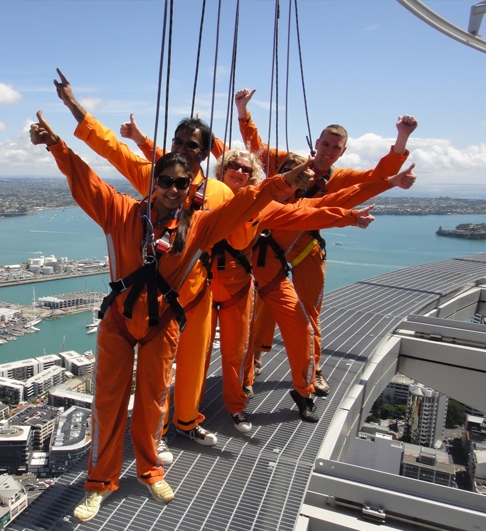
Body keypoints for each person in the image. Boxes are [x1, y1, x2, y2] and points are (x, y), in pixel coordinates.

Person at [30, 110, 311, 522]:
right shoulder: (121, 212)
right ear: (154, 182)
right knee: (108, 403)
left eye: (182, 183)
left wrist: (284, 182)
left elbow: (246, 204)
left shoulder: (198, 225)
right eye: (166, 181)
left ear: (189, 184)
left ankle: (149, 469)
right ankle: (99, 483)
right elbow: (83, 178)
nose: (175, 190)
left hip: (163, 323)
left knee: (153, 402)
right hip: (120, 323)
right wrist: (56, 144)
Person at [53, 69, 234, 458]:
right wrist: (73, 106)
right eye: (179, 141)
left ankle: (187, 420)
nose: (185, 149)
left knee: (193, 363)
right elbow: (111, 150)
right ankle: (158, 434)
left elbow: (244, 221)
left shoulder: (219, 192)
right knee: (157, 372)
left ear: (205, 153)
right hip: (156, 295)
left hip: (196, 289)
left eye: (193, 145)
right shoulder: (157, 173)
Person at [235, 88, 418, 397]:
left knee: (308, 311)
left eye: (335, 147)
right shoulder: (288, 163)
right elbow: (255, 147)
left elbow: (377, 175)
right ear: (315, 144)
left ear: (342, 151)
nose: (328, 151)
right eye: (325, 144)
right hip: (274, 244)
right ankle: (254, 358)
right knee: (263, 303)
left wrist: (402, 138)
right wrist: (242, 110)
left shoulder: (339, 177)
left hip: (305, 246)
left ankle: (313, 370)